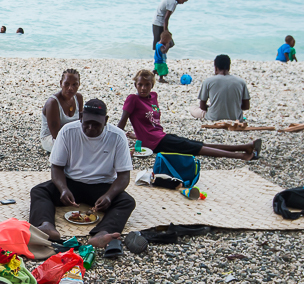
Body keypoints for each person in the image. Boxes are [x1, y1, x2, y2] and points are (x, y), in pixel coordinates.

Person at [29, 99, 144, 257]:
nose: (91, 128)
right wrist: (63, 189)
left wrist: (109, 196)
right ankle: (46, 225)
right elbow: (56, 167)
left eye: (96, 124)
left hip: (102, 185)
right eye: (87, 123)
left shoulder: (117, 137)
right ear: (81, 117)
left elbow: (124, 176)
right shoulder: (67, 131)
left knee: (127, 201)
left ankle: (102, 233)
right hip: (71, 183)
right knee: (39, 191)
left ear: (106, 120)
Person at [118, 70, 259, 160]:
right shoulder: (133, 99)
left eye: (147, 84)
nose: (143, 88)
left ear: (152, 85)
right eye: (140, 84)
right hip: (154, 143)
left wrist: (136, 135)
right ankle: (241, 155)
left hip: (161, 136)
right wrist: (114, 141)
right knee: (194, 148)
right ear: (135, 85)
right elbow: (122, 123)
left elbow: (148, 124)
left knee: (195, 144)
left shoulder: (153, 97)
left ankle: (244, 147)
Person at [192, 55, 250, 122]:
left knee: (192, 108)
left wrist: (212, 107)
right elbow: (246, 106)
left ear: (216, 68)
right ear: (229, 67)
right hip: (235, 118)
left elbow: (202, 106)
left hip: (213, 117)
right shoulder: (241, 82)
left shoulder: (208, 81)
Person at [40, 69, 83, 152]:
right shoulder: (53, 103)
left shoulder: (78, 98)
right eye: (67, 84)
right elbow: (56, 134)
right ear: (61, 83)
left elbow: (81, 123)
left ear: (79, 85)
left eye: (74, 85)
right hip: (51, 138)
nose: (70, 88)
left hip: (72, 135)